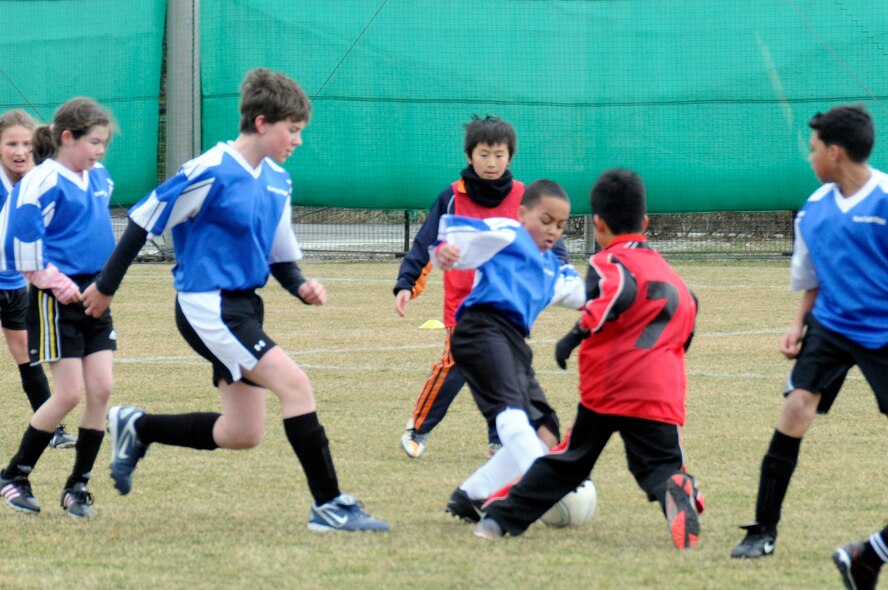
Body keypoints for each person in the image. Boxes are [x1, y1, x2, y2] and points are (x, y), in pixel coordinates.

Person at [80, 68, 388, 532]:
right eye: (293, 130)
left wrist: (300, 285)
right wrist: (106, 288)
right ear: (262, 122)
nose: (298, 141)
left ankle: (137, 427)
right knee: (296, 385)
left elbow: (280, 256)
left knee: (242, 433)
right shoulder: (210, 171)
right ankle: (329, 505)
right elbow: (144, 220)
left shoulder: (278, 182)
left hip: (244, 307)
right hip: (208, 305)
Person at [473, 169, 704, 550]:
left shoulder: (607, 261)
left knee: (570, 461)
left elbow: (616, 291)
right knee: (662, 468)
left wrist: (574, 335)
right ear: (644, 223)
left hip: (612, 385)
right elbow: (690, 313)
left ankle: (498, 519)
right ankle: (678, 493)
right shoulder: (670, 273)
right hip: (662, 391)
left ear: (597, 224)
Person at [731, 104, 888, 559]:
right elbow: (815, 278)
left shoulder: (884, 200)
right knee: (796, 408)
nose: (809, 157)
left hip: (882, 330)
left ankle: (874, 550)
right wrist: (798, 325)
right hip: (833, 325)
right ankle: (762, 530)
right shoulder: (814, 210)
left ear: (835, 152)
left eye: (814, 148)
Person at [395, 115, 568, 459]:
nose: (492, 163)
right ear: (470, 155)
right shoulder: (452, 197)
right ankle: (418, 428)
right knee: (455, 365)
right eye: (484, 154)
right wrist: (406, 284)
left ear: (510, 157)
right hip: (465, 306)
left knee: (506, 372)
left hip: (511, 305)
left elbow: (551, 241)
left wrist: (559, 273)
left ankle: (500, 440)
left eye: (500, 155)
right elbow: (426, 244)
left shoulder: (526, 197)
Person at [431, 179, 586, 523]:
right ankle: (542, 485)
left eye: (560, 226)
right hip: (480, 328)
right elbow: (455, 242)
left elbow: (590, 297)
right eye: (545, 220)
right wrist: (445, 253)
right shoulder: (506, 232)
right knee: (510, 409)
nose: (552, 231)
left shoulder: (554, 270)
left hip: (514, 343)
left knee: (545, 429)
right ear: (522, 213)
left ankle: (471, 496)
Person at [0, 98, 117, 518]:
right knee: (68, 393)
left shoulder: (99, 178)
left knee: (101, 389)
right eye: (94, 142)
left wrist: (103, 283)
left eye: (104, 143)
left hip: (95, 297)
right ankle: (14, 474)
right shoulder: (41, 182)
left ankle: (77, 485)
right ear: (67, 138)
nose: (100, 151)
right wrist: (63, 287)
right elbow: (22, 254)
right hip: (56, 300)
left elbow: (96, 233)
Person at [0, 109, 76, 449]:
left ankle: (52, 431)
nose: (19, 151)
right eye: (10, 144)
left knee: (27, 357)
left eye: (26, 144)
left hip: (13, 283)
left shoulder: (40, 180)